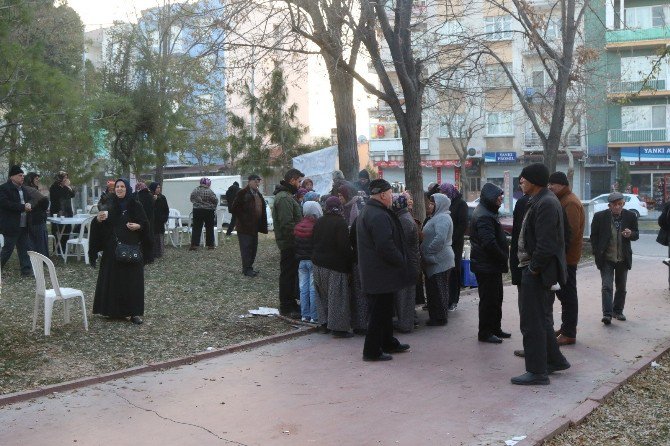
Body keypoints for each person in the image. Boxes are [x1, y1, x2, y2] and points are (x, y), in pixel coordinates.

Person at [512, 163, 570, 386]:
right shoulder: (539, 200)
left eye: (524, 179)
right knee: (542, 319)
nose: (521, 182)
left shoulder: (545, 202)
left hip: (537, 272)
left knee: (532, 322)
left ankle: (537, 371)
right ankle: (555, 360)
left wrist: (533, 268)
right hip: (536, 270)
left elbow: (546, 244)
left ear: (534, 181)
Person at [357, 179, 412, 361]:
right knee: (379, 313)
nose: (392, 196)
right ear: (382, 195)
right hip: (380, 272)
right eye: (390, 193)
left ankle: (387, 342)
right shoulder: (377, 214)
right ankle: (371, 351)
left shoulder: (371, 211)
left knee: (385, 310)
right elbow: (385, 245)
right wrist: (401, 260)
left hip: (377, 272)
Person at [88, 179, 152, 324]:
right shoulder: (109, 204)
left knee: (132, 281)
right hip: (112, 249)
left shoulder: (135, 205)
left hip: (132, 247)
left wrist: (138, 226)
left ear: (127, 189)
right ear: (114, 189)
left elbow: (146, 224)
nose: (119, 189)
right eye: (117, 187)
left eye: (122, 186)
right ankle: (113, 311)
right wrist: (97, 220)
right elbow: (101, 226)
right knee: (113, 280)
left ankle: (134, 313)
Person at [547, 171, 585, 345]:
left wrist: (560, 257)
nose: (549, 187)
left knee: (568, 295)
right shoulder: (563, 199)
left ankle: (569, 332)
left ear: (562, 184)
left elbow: (570, 233)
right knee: (564, 294)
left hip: (567, 259)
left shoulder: (570, 202)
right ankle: (566, 327)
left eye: (552, 184)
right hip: (565, 258)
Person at [590, 191, 639, 325]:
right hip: (606, 258)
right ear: (609, 205)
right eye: (614, 204)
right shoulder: (600, 217)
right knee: (607, 286)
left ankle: (618, 311)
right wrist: (596, 252)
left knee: (621, 287)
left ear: (623, 204)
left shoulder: (630, 216)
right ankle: (607, 314)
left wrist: (630, 234)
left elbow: (636, 234)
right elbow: (594, 236)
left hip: (623, 258)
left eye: (620, 204)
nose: (617, 207)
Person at [469, 183, 509, 344]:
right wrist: (502, 256)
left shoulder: (488, 212)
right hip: (486, 265)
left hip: (490, 264)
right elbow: (489, 242)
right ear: (490, 197)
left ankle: (495, 328)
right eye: (498, 195)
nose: (501, 198)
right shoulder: (484, 215)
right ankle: (485, 332)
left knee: (496, 297)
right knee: (488, 300)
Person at [312, 197, 355, 337]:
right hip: (335, 266)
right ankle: (338, 329)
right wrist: (350, 264)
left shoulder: (319, 221)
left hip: (318, 264)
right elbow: (344, 247)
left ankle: (325, 324)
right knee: (337, 297)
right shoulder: (340, 222)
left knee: (323, 297)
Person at [272, 168, 304, 317]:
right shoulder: (284, 198)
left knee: (291, 274)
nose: (300, 184)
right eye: (299, 181)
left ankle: (291, 303)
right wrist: (298, 239)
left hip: (291, 242)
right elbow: (287, 224)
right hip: (289, 243)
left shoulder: (287, 196)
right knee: (288, 275)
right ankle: (286, 306)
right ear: (292, 180)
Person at [421, 193, 455, 326]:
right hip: (435, 260)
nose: (429, 205)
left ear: (439, 205)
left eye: (432, 203)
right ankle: (436, 316)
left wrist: (428, 251)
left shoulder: (443, 218)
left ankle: (440, 318)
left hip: (440, 260)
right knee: (434, 289)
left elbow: (440, 239)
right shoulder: (436, 217)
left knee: (439, 289)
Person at [232, 174, 269, 277]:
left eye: (259, 181)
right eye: (256, 181)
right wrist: (245, 219)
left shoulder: (258, 194)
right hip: (244, 227)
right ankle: (246, 269)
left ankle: (250, 267)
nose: (258, 183)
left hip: (254, 226)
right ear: (249, 181)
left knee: (253, 248)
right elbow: (234, 208)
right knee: (246, 248)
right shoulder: (242, 193)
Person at [392, 192, 420, 333]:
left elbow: (400, 242)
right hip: (411, 261)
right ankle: (410, 320)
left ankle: (405, 324)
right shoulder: (404, 217)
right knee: (407, 295)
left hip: (407, 262)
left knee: (404, 296)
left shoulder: (403, 219)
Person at [0, 165, 34, 276]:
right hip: (11, 224)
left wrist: (29, 205)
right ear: (12, 177)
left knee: (24, 249)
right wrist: (22, 207)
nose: (22, 177)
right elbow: (5, 204)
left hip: (24, 224)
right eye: (20, 175)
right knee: (7, 250)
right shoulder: (4, 188)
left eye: (23, 175)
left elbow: (29, 200)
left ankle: (26, 271)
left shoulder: (24, 189)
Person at [439, 182, 468, 312]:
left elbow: (462, 225)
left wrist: (451, 238)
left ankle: (453, 300)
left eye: (445, 192)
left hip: (455, 243)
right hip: (446, 243)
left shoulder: (460, 204)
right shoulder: (445, 203)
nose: (443, 195)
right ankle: (445, 299)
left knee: (454, 271)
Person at [295, 201, 322, 323]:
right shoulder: (316, 227)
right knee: (313, 289)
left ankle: (304, 314)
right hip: (312, 260)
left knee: (303, 288)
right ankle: (314, 316)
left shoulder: (298, 226)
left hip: (301, 261)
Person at [24, 172, 50, 257]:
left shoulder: (25, 189)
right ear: (30, 180)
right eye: (36, 178)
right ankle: (42, 260)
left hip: (32, 218)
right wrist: (43, 207)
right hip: (36, 218)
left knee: (33, 241)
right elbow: (45, 201)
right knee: (40, 241)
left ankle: (35, 260)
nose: (38, 180)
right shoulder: (31, 190)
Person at [49, 170, 75, 253]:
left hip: (67, 212)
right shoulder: (54, 187)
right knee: (58, 231)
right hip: (58, 213)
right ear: (60, 179)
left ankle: (65, 249)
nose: (66, 180)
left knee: (67, 230)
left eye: (66, 178)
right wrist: (66, 186)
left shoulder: (66, 187)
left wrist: (68, 186)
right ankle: (58, 250)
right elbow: (59, 196)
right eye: (64, 178)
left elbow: (72, 195)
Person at [189, 177, 218, 251]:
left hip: (197, 210)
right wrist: (211, 205)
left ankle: (194, 245)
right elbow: (215, 200)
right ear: (208, 183)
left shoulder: (195, 190)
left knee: (196, 227)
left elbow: (191, 198)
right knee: (209, 228)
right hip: (209, 211)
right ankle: (210, 245)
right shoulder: (210, 191)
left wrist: (197, 204)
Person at [134, 182, 155, 264]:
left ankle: (144, 257)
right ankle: (150, 258)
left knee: (142, 240)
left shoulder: (137, 196)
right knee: (149, 238)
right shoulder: (150, 195)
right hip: (150, 220)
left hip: (141, 220)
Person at [149, 182, 169, 259]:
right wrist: (153, 200)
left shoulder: (162, 197)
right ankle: (153, 252)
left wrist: (164, 218)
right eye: (157, 187)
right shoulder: (149, 196)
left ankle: (159, 252)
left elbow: (166, 209)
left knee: (160, 236)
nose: (158, 189)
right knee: (153, 235)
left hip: (160, 220)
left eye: (159, 187)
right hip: (152, 221)